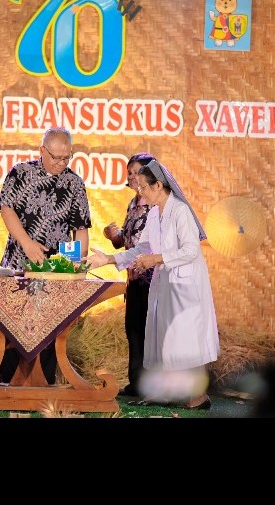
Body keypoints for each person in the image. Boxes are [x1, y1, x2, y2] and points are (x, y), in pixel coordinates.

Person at [83, 159, 218, 409]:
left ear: (158, 185)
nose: (140, 192)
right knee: (163, 336)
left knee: (187, 338)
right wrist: (108, 259)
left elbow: (190, 250)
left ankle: (199, 397)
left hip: (185, 286)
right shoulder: (155, 213)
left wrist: (155, 259)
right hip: (165, 282)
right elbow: (142, 247)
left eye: (143, 187)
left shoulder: (180, 211)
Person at [0, 127, 92, 384]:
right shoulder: (20, 173)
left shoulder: (74, 183)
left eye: (66, 158)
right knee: (14, 325)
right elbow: (6, 209)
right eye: (56, 157)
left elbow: (81, 229)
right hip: (19, 262)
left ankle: (43, 384)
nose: (61, 163)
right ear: (42, 151)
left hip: (55, 269)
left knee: (49, 328)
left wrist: (75, 266)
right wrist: (27, 243)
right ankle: (11, 383)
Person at [102, 152, 155, 397]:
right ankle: (136, 383)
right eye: (129, 173)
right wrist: (114, 236)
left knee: (149, 332)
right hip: (133, 278)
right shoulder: (133, 204)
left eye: (137, 172)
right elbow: (128, 241)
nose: (132, 177)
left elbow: (150, 245)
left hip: (151, 278)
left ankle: (152, 386)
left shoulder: (156, 205)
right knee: (133, 330)